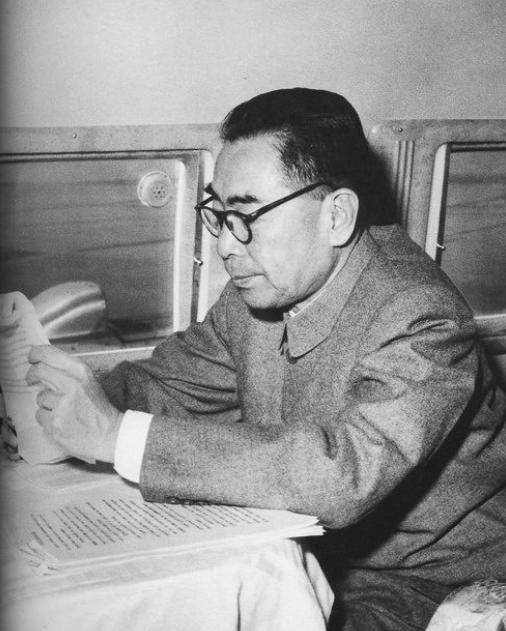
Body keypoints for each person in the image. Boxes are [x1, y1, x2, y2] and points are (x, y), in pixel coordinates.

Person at [23, 88, 505, 630]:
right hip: (316, 552)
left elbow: (341, 474)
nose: (227, 246)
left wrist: (114, 436)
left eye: (247, 214)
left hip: (433, 584)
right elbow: (167, 383)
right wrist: (53, 405)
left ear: (337, 216)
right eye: (219, 213)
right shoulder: (261, 293)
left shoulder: (422, 316)